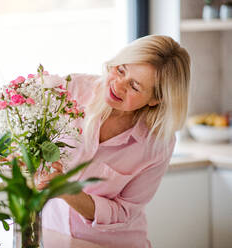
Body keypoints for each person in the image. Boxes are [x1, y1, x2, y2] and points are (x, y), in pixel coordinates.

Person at [38, 35, 191, 248]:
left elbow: (123, 211)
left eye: (135, 86)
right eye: (120, 70)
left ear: (156, 99)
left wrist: (65, 190)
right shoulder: (74, 90)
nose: (118, 86)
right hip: (53, 235)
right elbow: (33, 133)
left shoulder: (157, 144)